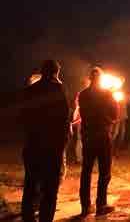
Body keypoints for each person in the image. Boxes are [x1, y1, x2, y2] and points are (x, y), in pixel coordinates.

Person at [19, 60, 70, 222]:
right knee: (49, 190)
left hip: (32, 146)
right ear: (56, 72)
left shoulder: (30, 90)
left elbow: (22, 118)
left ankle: (28, 218)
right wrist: (62, 145)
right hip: (51, 148)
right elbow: (63, 120)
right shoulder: (58, 89)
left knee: (30, 185)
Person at [78, 67, 119, 217]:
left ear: (90, 78)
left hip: (88, 137)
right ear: (100, 79)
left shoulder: (82, 95)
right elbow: (115, 114)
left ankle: (85, 206)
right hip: (102, 137)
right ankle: (101, 205)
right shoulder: (107, 94)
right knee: (105, 172)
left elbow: (83, 114)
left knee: (86, 172)